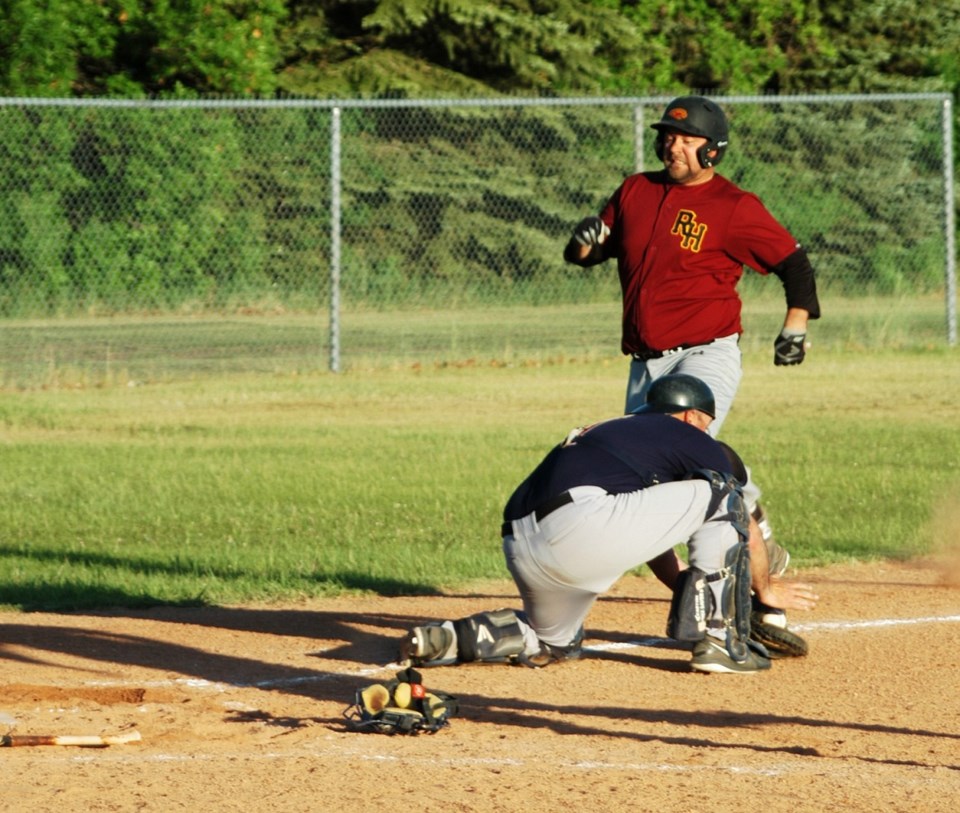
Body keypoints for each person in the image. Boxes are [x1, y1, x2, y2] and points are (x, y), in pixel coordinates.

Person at [399, 374, 818, 675]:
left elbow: (651, 536)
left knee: (553, 644)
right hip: (582, 527)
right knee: (721, 493)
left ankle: (450, 639)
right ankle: (719, 641)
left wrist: (687, 592)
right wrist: (766, 589)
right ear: (691, 416)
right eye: (706, 423)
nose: (708, 432)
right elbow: (736, 508)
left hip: (521, 543)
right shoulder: (689, 436)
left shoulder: (619, 434)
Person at [562, 94, 821, 582]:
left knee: (684, 448)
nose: (672, 146)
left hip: (705, 352)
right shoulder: (634, 191)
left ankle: (740, 569)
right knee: (641, 474)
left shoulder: (733, 206)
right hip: (645, 364)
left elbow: (793, 261)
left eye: (685, 139)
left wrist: (796, 325)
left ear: (712, 150)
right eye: (668, 137)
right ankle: (719, 559)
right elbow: (590, 253)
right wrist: (584, 242)